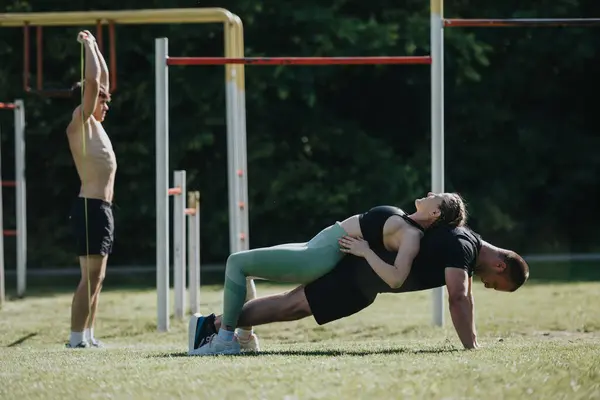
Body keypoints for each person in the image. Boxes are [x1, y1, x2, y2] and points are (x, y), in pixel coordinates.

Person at [189, 216, 530, 354]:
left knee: (294, 305)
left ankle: (218, 325)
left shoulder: (467, 243)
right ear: (500, 266)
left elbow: (463, 293)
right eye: (496, 284)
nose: (489, 286)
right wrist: (471, 346)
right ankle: (216, 326)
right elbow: (459, 296)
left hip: (365, 281)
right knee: (295, 305)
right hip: (360, 275)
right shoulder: (465, 247)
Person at [65, 30, 116, 348]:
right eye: (101, 99)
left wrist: (96, 47)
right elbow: (95, 81)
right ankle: (75, 338)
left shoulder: (96, 124)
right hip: (90, 207)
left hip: (103, 208)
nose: (106, 103)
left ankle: (88, 335)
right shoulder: (80, 124)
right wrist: (89, 46)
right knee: (90, 277)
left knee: (98, 278)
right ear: (87, 99)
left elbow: (103, 81)